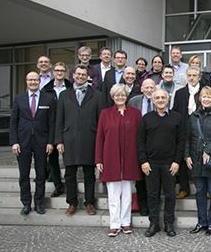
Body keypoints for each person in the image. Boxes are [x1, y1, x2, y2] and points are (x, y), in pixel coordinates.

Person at [55, 64, 104, 215]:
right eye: (78, 74)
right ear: (73, 76)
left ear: (87, 77)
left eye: (84, 75)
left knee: (89, 173)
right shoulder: (64, 95)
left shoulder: (97, 95)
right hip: (69, 139)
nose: (81, 77)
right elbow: (59, 119)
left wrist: (100, 141)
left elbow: (101, 121)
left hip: (90, 138)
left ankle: (89, 202)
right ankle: (72, 203)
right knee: (70, 173)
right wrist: (59, 141)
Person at [95, 84, 142, 237]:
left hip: (130, 159)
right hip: (110, 159)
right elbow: (100, 138)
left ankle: (125, 223)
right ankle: (114, 224)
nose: (120, 97)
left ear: (126, 96)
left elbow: (140, 138)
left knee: (127, 194)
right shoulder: (105, 114)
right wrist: (99, 159)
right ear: (113, 97)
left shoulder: (135, 114)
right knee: (113, 195)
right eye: (117, 95)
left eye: (122, 95)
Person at [138, 88, 185, 237]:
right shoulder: (146, 118)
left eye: (162, 98)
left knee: (170, 195)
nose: (160, 100)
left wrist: (177, 161)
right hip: (151, 164)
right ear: (153, 100)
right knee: (152, 195)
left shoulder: (177, 117)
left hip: (170, 164)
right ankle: (154, 224)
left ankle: (169, 224)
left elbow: (181, 142)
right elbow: (140, 142)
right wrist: (143, 161)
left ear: (167, 99)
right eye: (157, 98)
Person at [9, 72, 56, 215]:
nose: (33, 82)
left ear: (39, 81)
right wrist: (14, 142)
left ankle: (39, 203)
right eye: (30, 80)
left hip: (42, 143)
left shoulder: (49, 99)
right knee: (24, 175)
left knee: (41, 174)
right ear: (26, 81)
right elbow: (13, 122)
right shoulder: (19, 99)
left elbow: (52, 123)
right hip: (22, 143)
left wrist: (50, 142)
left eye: (35, 80)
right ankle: (26, 204)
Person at [185, 86, 211, 236]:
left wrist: (208, 150)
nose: (206, 99)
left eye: (209, 97)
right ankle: (201, 222)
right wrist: (187, 156)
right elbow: (188, 138)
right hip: (196, 160)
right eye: (204, 97)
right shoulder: (193, 116)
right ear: (199, 99)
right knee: (200, 193)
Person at [41, 62, 73, 198]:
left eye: (62, 70)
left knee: (69, 157)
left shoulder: (71, 87)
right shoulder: (46, 89)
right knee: (52, 159)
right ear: (53, 72)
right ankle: (58, 185)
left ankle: (71, 183)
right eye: (57, 70)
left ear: (65, 72)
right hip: (51, 127)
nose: (59, 73)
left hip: (69, 126)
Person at [172, 66, 203, 200]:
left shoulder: (205, 91)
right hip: (184, 128)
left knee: (202, 157)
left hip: (201, 130)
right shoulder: (180, 93)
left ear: (199, 77)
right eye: (189, 75)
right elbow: (175, 111)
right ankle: (184, 188)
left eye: (194, 75)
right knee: (183, 159)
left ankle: (204, 189)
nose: (191, 78)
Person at [127, 78, 157, 216]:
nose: (149, 90)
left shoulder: (160, 99)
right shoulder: (134, 102)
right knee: (140, 177)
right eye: (147, 87)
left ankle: (154, 205)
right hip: (138, 142)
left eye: (152, 87)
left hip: (156, 143)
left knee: (154, 177)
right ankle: (143, 205)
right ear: (141, 89)